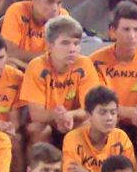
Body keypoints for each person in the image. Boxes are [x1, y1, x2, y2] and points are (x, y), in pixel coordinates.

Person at [89, 1, 137, 140]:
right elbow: (98, 103)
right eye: (126, 29)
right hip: (110, 117)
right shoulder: (95, 61)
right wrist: (130, 113)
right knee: (99, 119)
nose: (132, 36)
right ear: (113, 32)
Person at [20, 15, 103, 145]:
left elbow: (90, 108)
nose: (72, 49)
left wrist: (70, 115)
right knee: (36, 129)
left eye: (76, 43)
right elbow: (36, 114)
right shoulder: (36, 66)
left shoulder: (85, 64)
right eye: (65, 43)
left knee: (90, 126)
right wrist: (57, 116)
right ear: (49, 45)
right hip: (47, 122)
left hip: (74, 120)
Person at [61, 85, 134, 172]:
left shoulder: (121, 137)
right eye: (102, 112)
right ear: (89, 115)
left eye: (113, 112)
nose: (109, 118)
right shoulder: (73, 138)